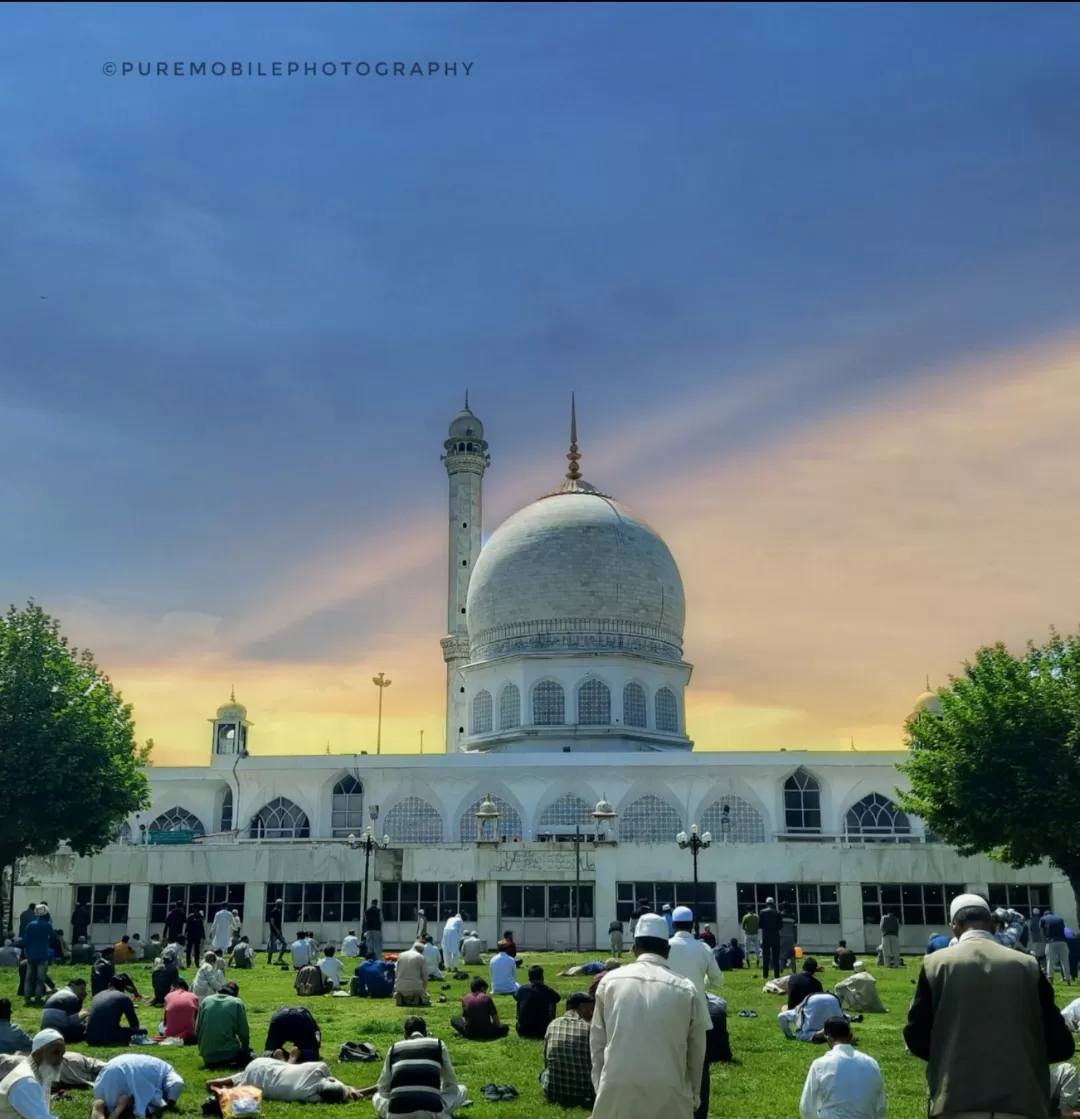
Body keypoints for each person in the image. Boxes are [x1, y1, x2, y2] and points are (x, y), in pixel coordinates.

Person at [905, 892, 1075, 1118]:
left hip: (955, 1097)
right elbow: (1060, 1043)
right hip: (1021, 1098)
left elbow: (916, 1036)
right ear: (993, 926)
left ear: (954, 927)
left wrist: (947, 1057)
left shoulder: (935, 964)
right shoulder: (1028, 964)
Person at [590, 912, 707, 1119]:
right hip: (670, 1091)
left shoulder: (609, 983)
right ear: (668, 950)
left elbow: (597, 1045)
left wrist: (602, 1087)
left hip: (616, 1088)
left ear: (634, 949)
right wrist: (694, 1093)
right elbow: (696, 1051)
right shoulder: (686, 989)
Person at [667, 905, 725, 1119]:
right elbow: (719, 980)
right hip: (699, 1017)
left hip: (670, 1016)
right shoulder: (703, 949)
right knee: (699, 1069)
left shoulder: (666, 946)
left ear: (673, 925)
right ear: (692, 926)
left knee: (672, 1067)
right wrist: (703, 980)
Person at [370, 1016, 469, 1119]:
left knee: (377, 1096)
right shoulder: (438, 1044)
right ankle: (440, 1113)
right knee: (462, 1090)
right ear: (425, 1033)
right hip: (430, 1112)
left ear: (405, 1034)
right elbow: (451, 1083)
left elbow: (382, 1087)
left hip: (397, 1115)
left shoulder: (394, 1048)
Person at [799, 1016, 886, 1119]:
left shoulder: (820, 1064)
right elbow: (881, 1107)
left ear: (828, 1038)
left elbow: (806, 1107)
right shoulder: (871, 1063)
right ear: (850, 1036)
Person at [206, 1057, 363, 1104]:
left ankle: (221, 1081)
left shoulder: (318, 1068)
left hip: (261, 1063)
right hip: (253, 1083)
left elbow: (330, 1078)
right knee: (251, 1077)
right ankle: (224, 1082)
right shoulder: (306, 1095)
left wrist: (347, 1088)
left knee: (281, 1068)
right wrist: (349, 1090)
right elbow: (326, 1095)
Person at [541, 991, 594, 1108]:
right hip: (584, 1093)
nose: (592, 1013)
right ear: (582, 1007)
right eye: (591, 1009)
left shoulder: (553, 1024)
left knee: (543, 1074)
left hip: (553, 1092)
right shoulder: (589, 1028)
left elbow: (546, 1062)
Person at [90, 1053, 185, 1119]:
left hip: (107, 1074)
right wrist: (170, 1103)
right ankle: (121, 1108)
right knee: (150, 1100)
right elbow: (178, 1083)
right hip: (129, 1077)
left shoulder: (159, 1065)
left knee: (137, 1087)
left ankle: (103, 1104)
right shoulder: (168, 1072)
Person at [0, 1028, 66, 1119]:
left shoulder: (41, 1072)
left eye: (62, 1054)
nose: (59, 1060)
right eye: (55, 1053)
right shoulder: (26, 1082)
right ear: (38, 1052)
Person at [196, 983, 253, 1069]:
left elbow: (197, 1028)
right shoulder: (236, 1003)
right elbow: (243, 1032)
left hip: (207, 1056)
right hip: (228, 1056)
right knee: (253, 1055)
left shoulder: (205, 1001)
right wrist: (245, 1047)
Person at [85, 977, 140, 1047]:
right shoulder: (123, 997)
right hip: (108, 1037)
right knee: (142, 1030)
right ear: (124, 988)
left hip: (90, 1038)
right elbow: (134, 1023)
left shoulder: (97, 995)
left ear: (109, 984)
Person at [514, 965, 561, 1039]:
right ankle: (550, 1023)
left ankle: (521, 1021)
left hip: (523, 1030)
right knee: (552, 1000)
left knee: (519, 1000)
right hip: (544, 1030)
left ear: (529, 978)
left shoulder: (522, 989)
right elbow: (557, 998)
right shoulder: (548, 990)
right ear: (542, 977)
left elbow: (516, 997)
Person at [21, 908, 53, 1008]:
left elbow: (25, 939)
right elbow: (53, 935)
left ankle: (27, 997)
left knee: (29, 977)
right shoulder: (47, 925)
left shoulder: (31, 924)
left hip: (31, 954)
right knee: (40, 978)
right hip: (42, 954)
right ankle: (38, 996)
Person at [394, 941, 430, 1007]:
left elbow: (396, 971)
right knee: (426, 997)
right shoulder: (420, 957)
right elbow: (425, 976)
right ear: (421, 951)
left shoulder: (401, 955)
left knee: (403, 991)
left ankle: (401, 997)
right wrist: (424, 989)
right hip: (416, 987)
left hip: (400, 987)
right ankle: (417, 998)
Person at [162, 979, 198, 1045]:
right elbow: (197, 1017)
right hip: (190, 1033)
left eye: (171, 988)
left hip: (170, 1034)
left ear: (176, 986)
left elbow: (165, 1021)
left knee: (160, 1026)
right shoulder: (194, 996)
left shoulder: (168, 996)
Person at [1044, 908, 1072, 986]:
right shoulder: (1060, 919)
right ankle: (1068, 979)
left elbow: (1042, 931)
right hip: (1062, 942)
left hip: (1051, 942)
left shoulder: (1044, 919)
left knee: (1050, 961)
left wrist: (1045, 940)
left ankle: (1050, 978)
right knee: (1065, 961)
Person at [758, 897, 782, 979]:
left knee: (766, 956)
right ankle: (776, 974)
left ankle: (765, 974)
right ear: (773, 903)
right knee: (776, 957)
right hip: (775, 936)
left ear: (766, 903)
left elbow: (760, 925)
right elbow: (780, 926)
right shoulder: (778, 913)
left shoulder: (762, 912)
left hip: (766, 936)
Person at [780, 905, 799, 974]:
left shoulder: (780, 916)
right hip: (790, 939)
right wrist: (795, 940)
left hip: (782, 939)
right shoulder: (793, 916)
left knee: (782, 958)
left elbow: (777, 928)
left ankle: (780, 974)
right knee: (792, 957)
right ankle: (794, 973)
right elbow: (795, 930)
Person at [1030, 907, 1048, 972]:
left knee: (1036, 955)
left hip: (1035, 940)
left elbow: (1031, 929)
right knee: (1043, 955)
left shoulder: (1032, 920)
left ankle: (1037, 968)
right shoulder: (1042, 919)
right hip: (1042, 939)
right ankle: (1044, 968)